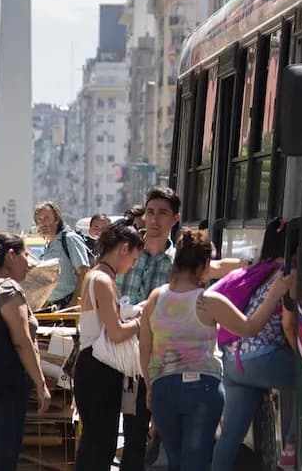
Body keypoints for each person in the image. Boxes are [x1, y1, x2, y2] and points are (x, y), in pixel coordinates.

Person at [139, 230, 294, 471]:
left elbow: (145, 348)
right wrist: (275, 292)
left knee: (175, 462)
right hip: (202, 390)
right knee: (196, 462)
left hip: (163, 390)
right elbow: (250, 327)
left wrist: (150, 387)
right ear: (204, 266)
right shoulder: (208, 301)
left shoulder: (155, 298)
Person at [212, 218, 300, 471]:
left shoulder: (261, 271)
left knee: (231, 436)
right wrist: (301, 357)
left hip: (233, 360)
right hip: (261, 359)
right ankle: (291, 447)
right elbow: (288, 325)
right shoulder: (290, 275)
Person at [0, 233, 52, 471]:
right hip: (4, 386)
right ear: (11, 256)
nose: (29, 262)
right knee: (3, 459)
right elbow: (22, 341)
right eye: (26, 255)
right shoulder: (8, 288)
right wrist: (41, 384)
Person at [116, 186, 182, 471]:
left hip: (156, 358)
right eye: (150, 212)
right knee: (115, 432)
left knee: (146, 432)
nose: (154, 219)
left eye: (162, 213)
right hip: (118, 352)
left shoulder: (179, 262)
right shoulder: (123, 250)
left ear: (175, 218)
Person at [74, 220, 146, 470]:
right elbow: (115, 333)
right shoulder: (103, 280)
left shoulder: (96, 276)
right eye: (133, 259)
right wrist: (140, 321)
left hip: (93, 367)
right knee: (99, 445)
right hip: (99, 370)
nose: (132, 266)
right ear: (124, 248)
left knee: (96, 442)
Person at [36, 201, 93, 311]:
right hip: (54, 307)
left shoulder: (69, 238)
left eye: (47, 218)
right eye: (39, 220)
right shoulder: (48, 246)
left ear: (57, 219)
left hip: (69, 306)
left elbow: (84, 272)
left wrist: (73, 304)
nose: (43, 223)